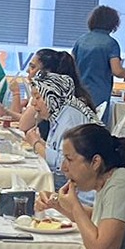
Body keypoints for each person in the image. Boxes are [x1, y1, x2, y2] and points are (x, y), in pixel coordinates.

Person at [19, 50, 100, 179]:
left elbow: (64, 164)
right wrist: (40, 142)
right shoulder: (60, 112)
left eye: (38, 97)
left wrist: (35, 143)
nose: (33, 103)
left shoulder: (70, 115)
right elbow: (56, 150)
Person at [72, 5, 125, 110]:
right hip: (99, 93)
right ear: (113, 23)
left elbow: (71, 64)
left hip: (79, 91)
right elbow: (117, 71)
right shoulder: (111, 44)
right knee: (97, 118)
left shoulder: (80, 41)